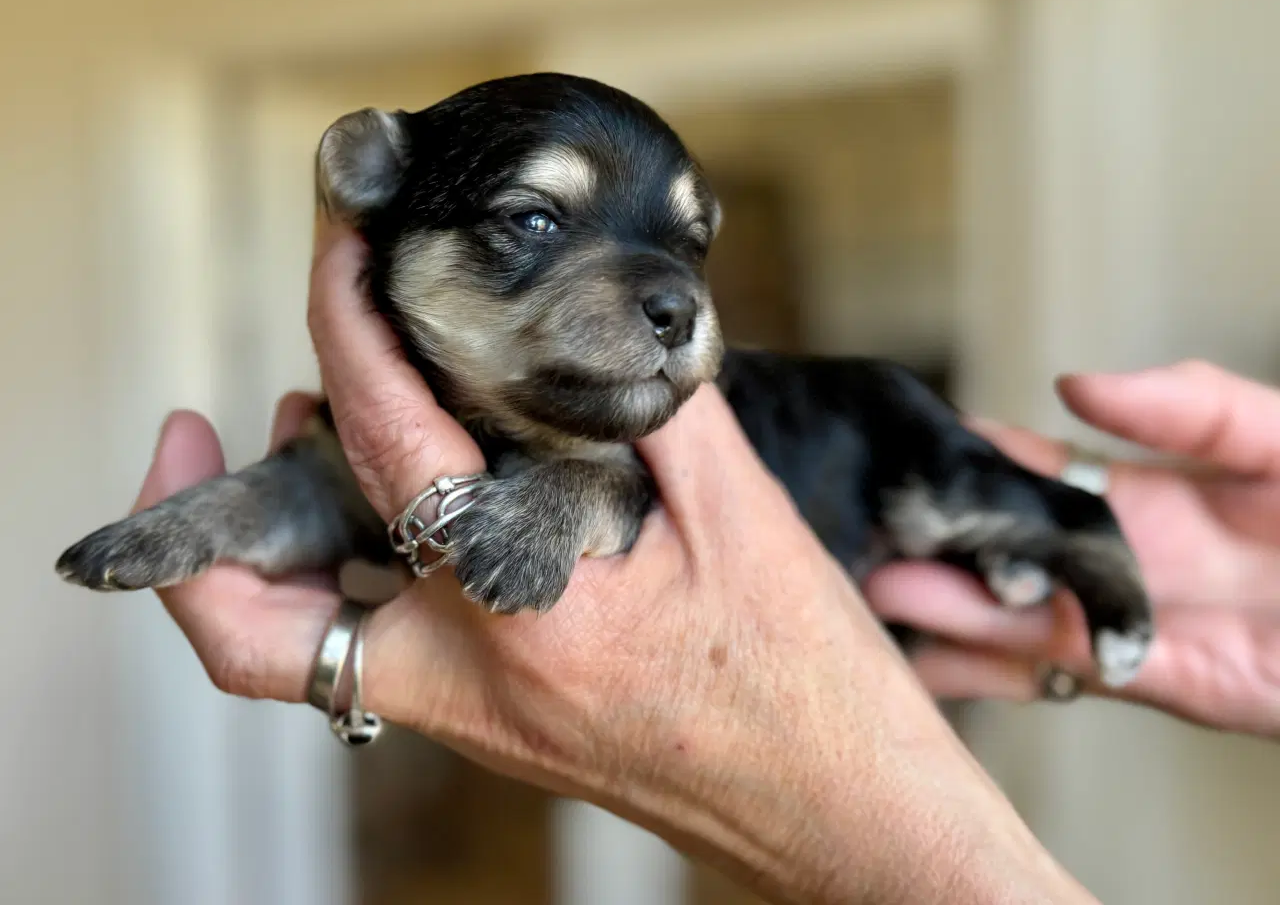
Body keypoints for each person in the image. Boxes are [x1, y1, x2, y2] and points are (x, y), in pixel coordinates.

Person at [137, 218, 1279, 904]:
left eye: (686, 246)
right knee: (933, 592)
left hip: (851, 461)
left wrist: (873, 839)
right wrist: (244, 516)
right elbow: (328, 494)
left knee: (970, 507)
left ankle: (1090, 562)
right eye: (532, 225)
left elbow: (613, 490)